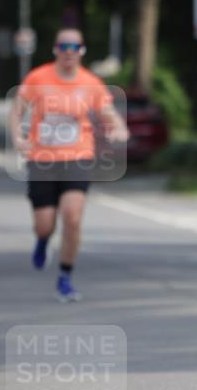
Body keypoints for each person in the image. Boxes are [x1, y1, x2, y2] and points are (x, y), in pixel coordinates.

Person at [9, 27, 129, 301]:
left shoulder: (90, 83)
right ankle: (42, 240)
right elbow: (17, 111)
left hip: (78, 157)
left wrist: (118, 129)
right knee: (44, 224)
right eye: (63, 46)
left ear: (82, 52)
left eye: (74, 47)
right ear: (55, 50)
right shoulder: (38, 78)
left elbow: (108, 113)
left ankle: (65, 276)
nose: (68, 52)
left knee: (72, 217)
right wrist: (18, 137)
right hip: (42, 160)